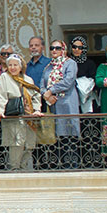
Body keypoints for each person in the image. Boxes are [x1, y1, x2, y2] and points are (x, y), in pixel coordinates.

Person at [0, 54, 43, 170]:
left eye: (15, 65)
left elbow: (35, 96)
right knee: (16, 146)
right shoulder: (4, 78)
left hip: (28, 119)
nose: (13, 67)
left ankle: (24, 170)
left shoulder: (28, 79)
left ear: (21, 67)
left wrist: (36, 110)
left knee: (28, 145)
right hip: (13, 118)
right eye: (10, 65)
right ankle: (14, 171)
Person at [40, 40, 81, 169]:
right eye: (52, 48)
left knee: (70, 135)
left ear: (63, 49)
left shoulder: (70, 63)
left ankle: (71, 165)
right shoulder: (48, 67)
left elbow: (68, 81)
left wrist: (51, 91)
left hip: (67, 103)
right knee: (57, 136)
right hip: (53, 105)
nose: (54, 51)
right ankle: (59, 165)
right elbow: (42, 84)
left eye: (57, 48)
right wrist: (47, 95)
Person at [70, 36, 97, 113]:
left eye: (80, 47)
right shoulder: (68, 63)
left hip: (87, 96)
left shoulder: (89, 63)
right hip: (72, 96)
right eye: (74, 47)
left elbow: (93, 79)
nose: (76, 50)